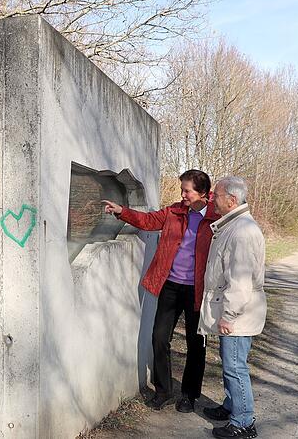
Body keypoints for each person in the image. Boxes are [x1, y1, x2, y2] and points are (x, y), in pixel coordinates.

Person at [102, 169, 220, 413]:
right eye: (182, 190)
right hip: (170, 286)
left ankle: (189, 395)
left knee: (195, 343)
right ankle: (163, 390)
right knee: (159, 337)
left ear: (203, 193)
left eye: (187, 190)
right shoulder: (173, 212)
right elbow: (148, 221)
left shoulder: (216, 219)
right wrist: (122, 211)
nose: (183, 195)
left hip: (198, 290)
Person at [198, 176, 266, 439]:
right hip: (236, 311)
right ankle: (231, 406)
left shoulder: (242, 231)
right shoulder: (234, 226)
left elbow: (240, 280)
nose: (213, 199)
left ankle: (244, 422)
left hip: (239, 312)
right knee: (230, 362)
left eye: (216, 195)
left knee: (235, 366)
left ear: (232, 200)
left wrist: (228, 315)